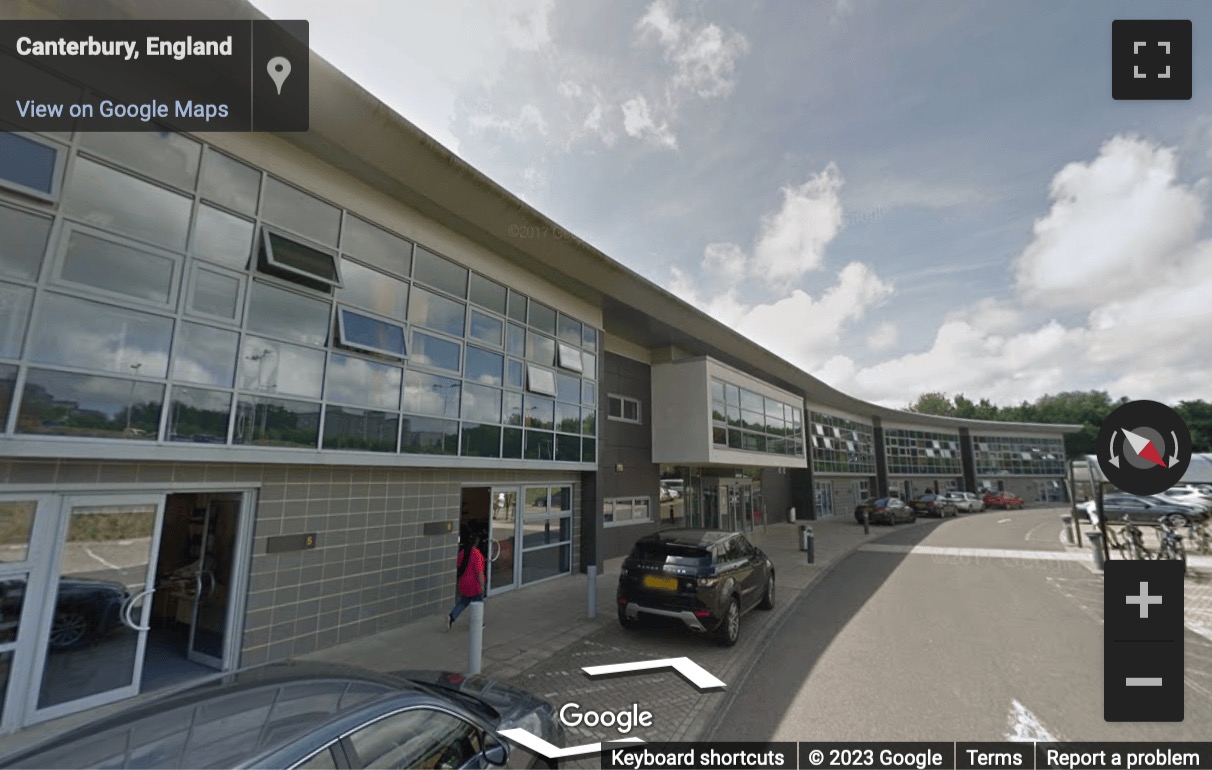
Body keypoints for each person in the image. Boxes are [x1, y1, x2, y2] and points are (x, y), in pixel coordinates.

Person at [447, 531, 486, 630]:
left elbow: (459, 566)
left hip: (463, 583)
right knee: (478, 604)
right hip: (474, 585)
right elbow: (479, 572)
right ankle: (478, 623)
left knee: (463, 602)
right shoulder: (477, 555)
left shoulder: (463, 553)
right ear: (477, 542)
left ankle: (451, 617)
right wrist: (482, 585)